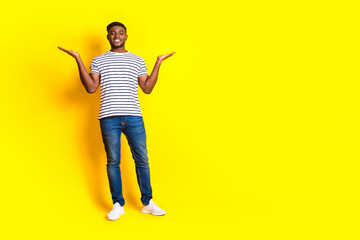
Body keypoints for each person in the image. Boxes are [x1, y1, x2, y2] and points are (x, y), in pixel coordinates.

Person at [58, 21, 175, 220]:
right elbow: (91, 88)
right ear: (108, 37)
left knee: (142, 160)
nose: (117, 36)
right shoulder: (98, 60)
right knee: (113, 161)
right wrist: (78, 59)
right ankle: (117, 204)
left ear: (126, 36)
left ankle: (147, 202)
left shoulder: (137, 60)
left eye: (120, 32)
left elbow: (147, 88)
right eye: (113, 33)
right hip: (108, 117)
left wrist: (158, 62)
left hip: (133, 116)